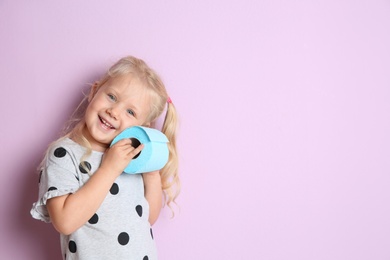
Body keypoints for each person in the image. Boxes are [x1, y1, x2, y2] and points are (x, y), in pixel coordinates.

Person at [30, 55, 180, 259]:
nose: (114, 112)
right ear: (94, 91)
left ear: (141, 128)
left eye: (130, 111)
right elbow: (64, 222)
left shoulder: (131, 157)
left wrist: (152, 175)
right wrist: (109, 169)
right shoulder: (63, 154)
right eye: (112, 97)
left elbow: (147, 218)